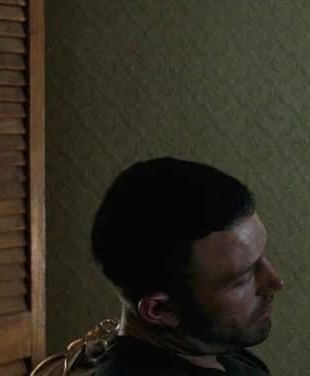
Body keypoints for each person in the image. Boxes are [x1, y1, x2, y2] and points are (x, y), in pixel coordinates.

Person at [89, 157, 285, 375]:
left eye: (262, 256)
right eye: (243, 278)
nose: (275, 282)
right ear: (160, 309)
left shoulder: (212, 347)